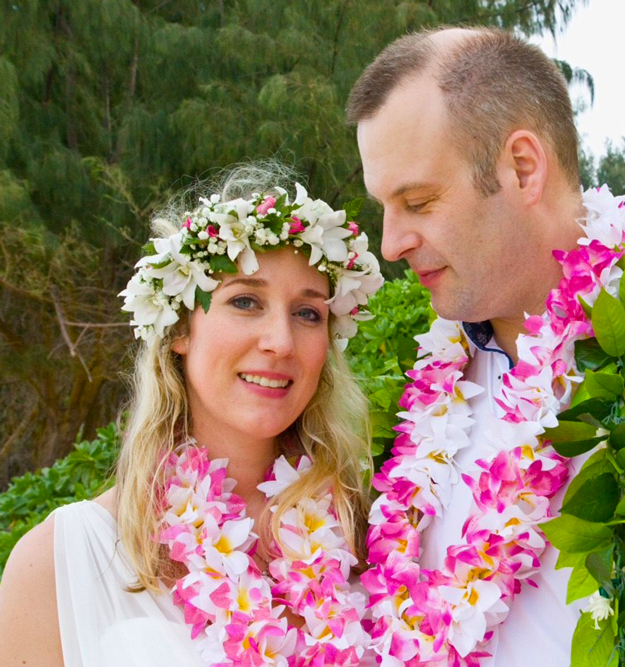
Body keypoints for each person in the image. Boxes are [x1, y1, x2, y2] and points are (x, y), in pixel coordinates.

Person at [347, 27, 625, 667]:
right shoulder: (427, 411)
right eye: (383, 208)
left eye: (418, 201)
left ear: (523, 168)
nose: (391, 243)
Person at [0, 165, 384, 667]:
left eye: (308, 313)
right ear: (179, 330)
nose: (281, 342)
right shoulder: (60, 559)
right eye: (245, 301)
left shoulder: (374, 531)